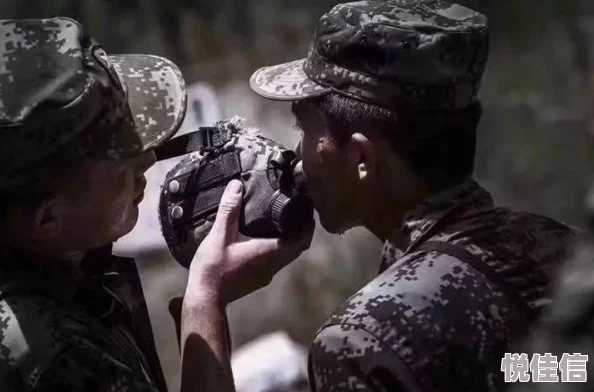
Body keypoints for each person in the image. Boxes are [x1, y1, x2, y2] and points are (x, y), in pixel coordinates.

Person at [183, 1, 578, 391]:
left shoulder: (363, 343)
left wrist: (204, 301)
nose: (299, 163)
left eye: (304, 130)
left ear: (361, 158)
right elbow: (543, 369)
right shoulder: (571, 252)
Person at [0, 17, 312, 391]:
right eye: (119, 153)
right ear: (47, 218)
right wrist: (206, 299)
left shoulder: (55, 265)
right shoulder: (50, 354)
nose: (147, 160)